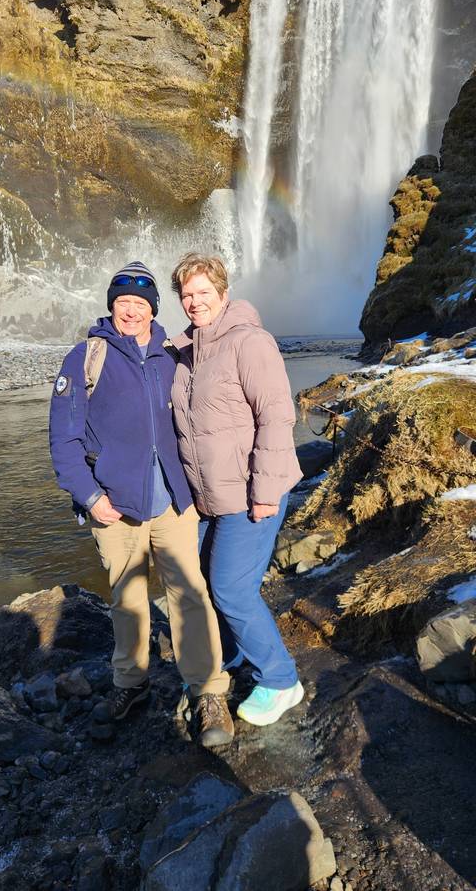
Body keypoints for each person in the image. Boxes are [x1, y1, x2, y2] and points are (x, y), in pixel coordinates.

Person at [49, 260, 233, 746]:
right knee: (127, 601)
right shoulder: (85, 358)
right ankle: (131, 684)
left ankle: (209, 692)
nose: (131, 311)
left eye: (140, 302)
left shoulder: (175, 353)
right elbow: (63, 440)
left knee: (190, 594)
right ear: (112, 305)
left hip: (174, 499)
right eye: (123, 302)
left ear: (153, 307)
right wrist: (90, 496)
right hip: (114, 505)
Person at [170, 252, 304, 727]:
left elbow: (276, 415)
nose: (194, 301)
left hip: (251, 492)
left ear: (224, 294)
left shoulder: (250, 342)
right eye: (186, 294)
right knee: (208, 581)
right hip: (212, 497)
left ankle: (281, 678)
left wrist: (265, 491)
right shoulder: (185, 352)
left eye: (203, 292)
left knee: (231, 588)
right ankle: (228, 664)